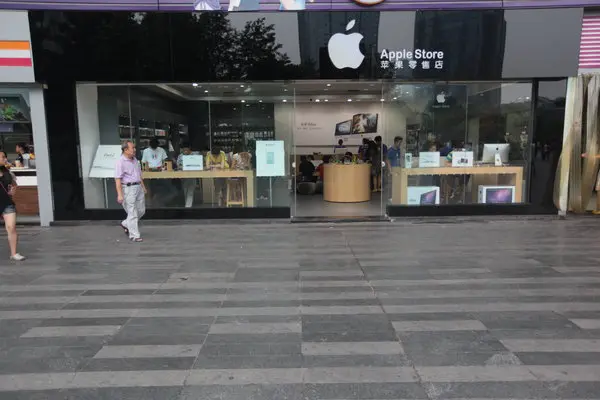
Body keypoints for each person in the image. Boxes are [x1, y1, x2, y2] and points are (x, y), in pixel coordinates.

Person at [115, 141, 146, 243]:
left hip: (138, 187)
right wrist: (120, 194)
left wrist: (143, 186)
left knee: (141, 210)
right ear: (126, 150)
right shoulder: (121, 162)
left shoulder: (135, 160)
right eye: (133, 148)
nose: (135, 149)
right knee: (132, 213)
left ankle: (125, 223)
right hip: (128, 189)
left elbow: (138, 174)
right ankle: (134, 235)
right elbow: (118, 179)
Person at [0, 151, 24, 261]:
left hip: (7, 203)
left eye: (5, 156)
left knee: (11, 227)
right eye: (2, 157)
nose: (5, 159)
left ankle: (14, 253)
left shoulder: (8, 172)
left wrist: (13, 190)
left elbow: (14, 184)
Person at [177, 143, 200, 208]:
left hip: (192, 175)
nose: (185, 151)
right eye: (183, 149)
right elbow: (178, 165)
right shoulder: (180, 156)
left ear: (189, 148)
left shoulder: (195, 154)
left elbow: (199, 164)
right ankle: (187, 205)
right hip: (184, 176)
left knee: (190, 191)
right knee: (185, 191)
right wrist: (181, 167)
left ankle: (188, 207)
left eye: (186, 149)